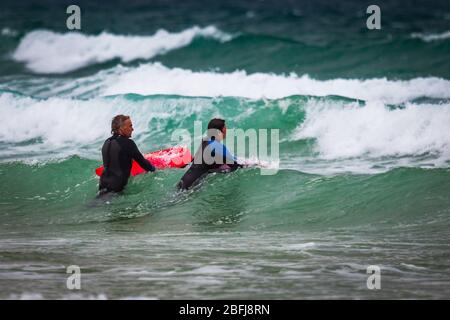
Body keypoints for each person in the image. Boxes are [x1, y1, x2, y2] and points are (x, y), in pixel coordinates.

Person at [177, 118, 242, 190]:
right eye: (225, 128)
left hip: (183, 181)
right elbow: (236, 166)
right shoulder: (218, 147)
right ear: (221, 131)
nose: (226, 130)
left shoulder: (205, 141)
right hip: (192, 185)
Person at [98, 115, 155, 196]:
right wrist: (155, 170)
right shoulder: (128, 143)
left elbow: (116, 160)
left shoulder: (107, 142)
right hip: (117, 189)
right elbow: (144, 164)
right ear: (121, 128)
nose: (132, 129)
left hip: (102, 185)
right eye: (130, 126)